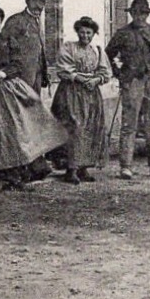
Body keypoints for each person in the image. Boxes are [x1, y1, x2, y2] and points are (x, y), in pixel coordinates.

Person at [0, 6, 67, 190]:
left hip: (7, 88)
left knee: (14, 130)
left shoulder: (8, 40)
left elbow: (18, 63)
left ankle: (13, 173)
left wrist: (4, 73)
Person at [105, 0, 150, 180]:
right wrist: (119, 74)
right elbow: (108, 54)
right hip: (132, 81)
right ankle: (126, 167)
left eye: (143, 13)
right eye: (136, 13)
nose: (139, 17)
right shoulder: (123, 33)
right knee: (129, 124)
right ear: (131, 14)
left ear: (147, 14)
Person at [50, 16, 112, 184]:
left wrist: (96, 80)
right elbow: (63, 69)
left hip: (91, 95)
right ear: (77, 32)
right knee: (74, 127)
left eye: (89, 33)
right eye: (82, 32)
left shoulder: (97, 50)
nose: (85, 36)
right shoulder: (68, 48)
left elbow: (105, 72)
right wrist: (79, 78)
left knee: (90, 128)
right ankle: (71, 168)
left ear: (94, 34)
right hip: (71, 93)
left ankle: (84, 167)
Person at [4, 0, 53, 179]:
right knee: (20, 121)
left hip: (36, 79)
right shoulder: (16, 22)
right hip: (20, 80)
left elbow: (39, 52)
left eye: (43, 2)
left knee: (33, 120)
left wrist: (45, 75)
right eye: (37, 1)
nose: (40, 5)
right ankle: (20, 166)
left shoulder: (38, 22)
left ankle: (34, 164)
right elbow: (5, 48)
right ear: (28, 0)